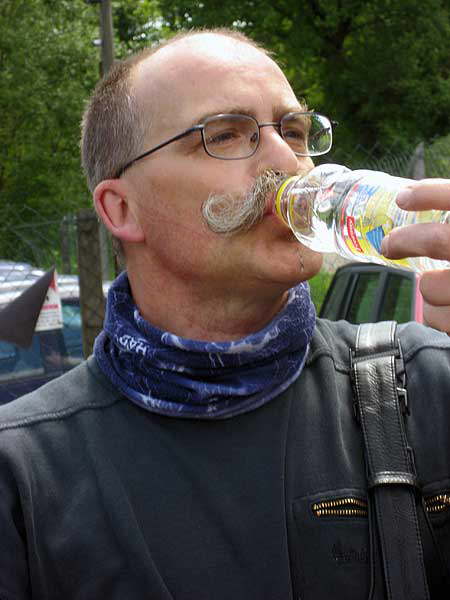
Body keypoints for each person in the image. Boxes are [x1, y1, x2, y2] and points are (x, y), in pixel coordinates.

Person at [0, 28, 449, 600]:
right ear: (121, 208)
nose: (287, 161)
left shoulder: (424, 386)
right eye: (225, 135)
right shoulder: (24, 473)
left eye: (294, 131)